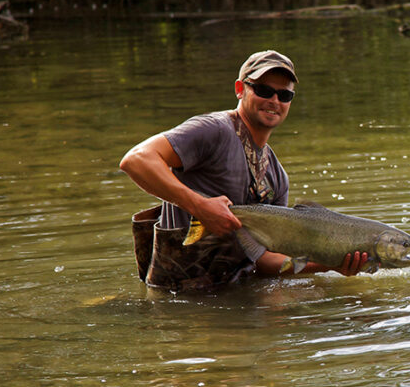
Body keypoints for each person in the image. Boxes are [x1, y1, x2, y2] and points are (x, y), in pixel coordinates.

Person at [120, 49, 368, 290]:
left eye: (284, 95)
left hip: (233, 293)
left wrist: (328, 265)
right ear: (240, 89)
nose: (274, 101)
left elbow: (265, 260)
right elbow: (136, 160)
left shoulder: (277, 177)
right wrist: (199, 206)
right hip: (177, 299)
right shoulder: (213, 131)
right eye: (263, 90)